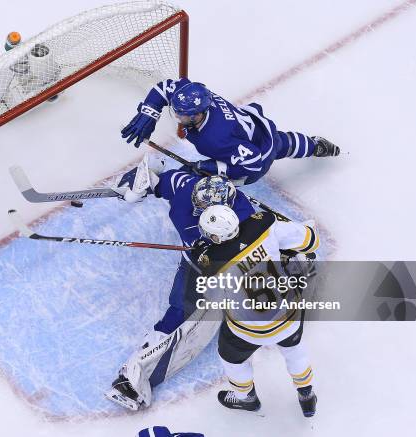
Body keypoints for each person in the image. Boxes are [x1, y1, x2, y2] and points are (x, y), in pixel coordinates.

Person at [105, 156, 255, 410]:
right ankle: (134, 377)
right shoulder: (188, 189)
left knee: (208, 317)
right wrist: (143, 180)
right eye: (196, 202)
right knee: (179, 314)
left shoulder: (243, 216)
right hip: (196, 264)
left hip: (224, 268)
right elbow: (164, 179)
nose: (194, 207)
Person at [196, 204, 319, 417]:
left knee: (232, 359)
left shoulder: (212, 263)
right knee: (293, 349)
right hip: (288, 315)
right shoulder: (263, 226)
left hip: (247, 330)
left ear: (215, 238)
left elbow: (211, 298)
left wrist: (201, 255)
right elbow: (311, 241)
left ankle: (247, 399)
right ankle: (307, 396)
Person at [121, 79, 340, 186]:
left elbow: (254, 162)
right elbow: (167, 86)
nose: (178, 118)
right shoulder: (196, 93)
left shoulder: (215, 140)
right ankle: (315, 145)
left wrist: (215, 167)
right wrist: (150, 112)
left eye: (183, 115)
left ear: (198, 114)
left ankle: (315, 146)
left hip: (258, 156)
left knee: (208, 187)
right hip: (252, 128)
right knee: (283, 142)